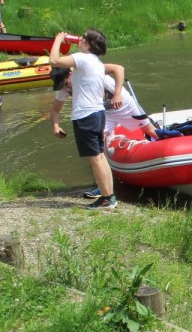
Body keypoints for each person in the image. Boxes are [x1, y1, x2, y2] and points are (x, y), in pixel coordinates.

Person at [51, 66, 162, 199]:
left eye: (65, 83)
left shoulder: (89, 70)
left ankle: (166, 151)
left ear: (70, 74)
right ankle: (102, 187)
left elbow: (118, 69)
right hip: (104, 113)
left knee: (149, 130)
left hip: (124, 105)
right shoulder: (64, 88)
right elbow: (55, 110)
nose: (65, 87)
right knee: (96, 149)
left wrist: (117, 93)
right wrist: (56, 126)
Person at [48, 29, 122, 209]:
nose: (79, 39)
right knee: (100, 156)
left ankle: (106, 199)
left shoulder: (83, 58)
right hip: (97, 114)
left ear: (89, 44)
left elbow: (54, 61)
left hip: (85, 115)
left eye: (83, 38)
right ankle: (110, 196)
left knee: (95, 158)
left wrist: (58, 40)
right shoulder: (96, 62)